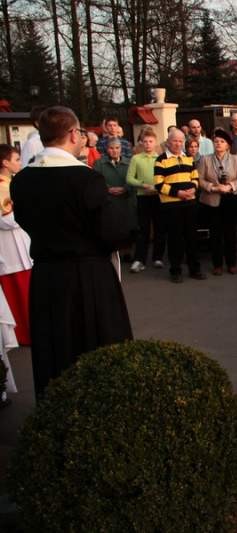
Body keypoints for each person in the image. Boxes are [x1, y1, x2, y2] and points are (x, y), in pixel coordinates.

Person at [10, 106, 132, 399]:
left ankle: (56, 409)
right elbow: (114, 231)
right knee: (95, 348)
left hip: (46, 276)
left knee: (55, 349)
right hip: (88, 276)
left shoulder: (21, 180)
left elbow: (24, 220)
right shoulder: (85, 179)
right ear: (74, 134)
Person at [154, 129, 206, 283]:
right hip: (171, 206)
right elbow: (158, 185)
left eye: (180, 141)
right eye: (175, 141)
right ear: (168, 142)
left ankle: (194, 269)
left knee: (192, 238)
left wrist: (193, 189)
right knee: (175, 239)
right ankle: (175, 271)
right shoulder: (161, 160)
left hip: (190, 203)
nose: (178, 144)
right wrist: (178, 193)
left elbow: (195, 178)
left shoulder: (189, 158)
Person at [198, 129, 237, 275]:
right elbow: (200, 179)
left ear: (228, 145)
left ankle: (232, 263)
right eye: (216, 141)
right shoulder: (205, 159)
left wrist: (230, 186)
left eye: (222, 141)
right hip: (212, 201)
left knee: (230, 233)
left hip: (231, 200)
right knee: (215, 234)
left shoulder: (235, 159)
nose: (218, 144)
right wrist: (213, 187)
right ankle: (217, 264)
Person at [0, 145, 32, 345]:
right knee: (18, 294)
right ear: (5, 163)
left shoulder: (10, 182)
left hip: (19, 243)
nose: (20, 163)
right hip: (9, 248)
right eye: (16, 159)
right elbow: (7, 220)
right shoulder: (2, 186)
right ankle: (24, 335)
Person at [127, 128, 165, 273]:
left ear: (155, 143)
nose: (148, 144)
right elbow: (129, 178)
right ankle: (139, 260)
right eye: (145, 141)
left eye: (150, 141)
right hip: (143, 197)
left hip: (159, 197)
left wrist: (159, 187)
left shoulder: (161, 158)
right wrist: (143, 185)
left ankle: (158, 257)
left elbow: (166, 177)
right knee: (143, 229)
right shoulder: (136, 158)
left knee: (160, 227)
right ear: (141, 143)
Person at [93, 138, 136, 259]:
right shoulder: (99, 163)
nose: (114, 151)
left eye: (117, 148)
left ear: (121, 149)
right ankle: (112, 253)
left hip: (126, 200)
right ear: (107, 149)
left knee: (127, 227)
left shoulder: (130, 162)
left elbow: (134, 178)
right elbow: (96, 180)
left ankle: (127, 252)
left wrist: (125, 188)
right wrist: (107, 189)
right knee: (111, 227)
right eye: (111, 148)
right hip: (108, 200)